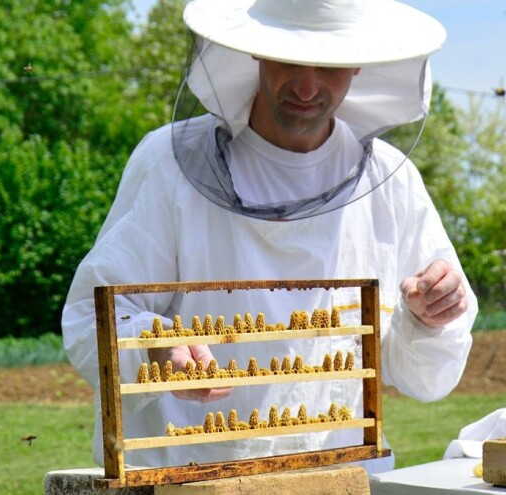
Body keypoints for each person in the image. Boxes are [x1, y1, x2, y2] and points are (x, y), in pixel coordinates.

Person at [62, 0, 477, 474]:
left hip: (342, 475)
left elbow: (427, 378)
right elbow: (90, 318)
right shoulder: (170, 163)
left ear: (358, 63)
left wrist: (429, 316)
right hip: (190, 474)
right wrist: (157, 351)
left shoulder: (391, 182)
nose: (306, 85)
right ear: (255, 52)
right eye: (289, 59)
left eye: (328, 65)